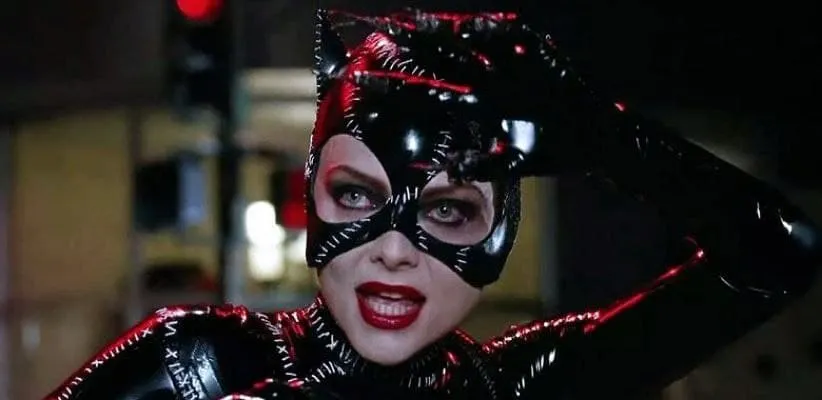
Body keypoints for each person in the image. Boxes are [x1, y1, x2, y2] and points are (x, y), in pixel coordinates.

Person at [45, 9, 821, 400]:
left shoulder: (519, 388)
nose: (394, 249)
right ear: (313, 196)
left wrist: (602, 132)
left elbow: (777, 253)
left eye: (447, 211)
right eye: (358, 195)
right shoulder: (196, 365)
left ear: (503, 228)